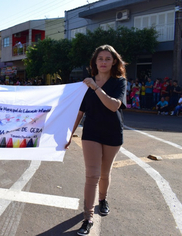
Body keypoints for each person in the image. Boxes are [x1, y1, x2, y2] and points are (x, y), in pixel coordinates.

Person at [65, 45, 127, 236]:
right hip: (91, 133)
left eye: (107, 59)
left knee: (105, 173)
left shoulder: (119, 82)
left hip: (112, 133)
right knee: (92, 175)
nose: (103, 62)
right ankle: (88, 218)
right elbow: (79, 112)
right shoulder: (86, 85)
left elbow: (113, 106)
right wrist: (69, 134)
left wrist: (96, 87)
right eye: (100, 58)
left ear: (114, 61)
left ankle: (103, 199)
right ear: (95, 61)